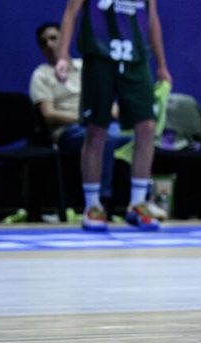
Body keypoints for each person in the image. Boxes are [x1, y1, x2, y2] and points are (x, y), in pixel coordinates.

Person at [52, 0, 173, 232]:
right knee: (97, 131)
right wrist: (62, 55)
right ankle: (92, 207)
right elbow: (70, 13)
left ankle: (137, 204)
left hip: (135, 60)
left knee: (146, 128)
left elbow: (151, 18)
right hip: (100, 58)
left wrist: (161, 64)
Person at [31, 22, 128, 214]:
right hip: (69, 131)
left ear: (64, 40)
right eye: (44, 42)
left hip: (99, 122)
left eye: (53, 38)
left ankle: (143, 199)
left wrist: (111, 108)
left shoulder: (85, 67)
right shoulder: (40, 75)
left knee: (135, 137)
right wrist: (82, 119)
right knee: (103, 138)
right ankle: (101, 201)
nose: (49, 44)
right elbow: (49, 114)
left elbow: (108, 98)